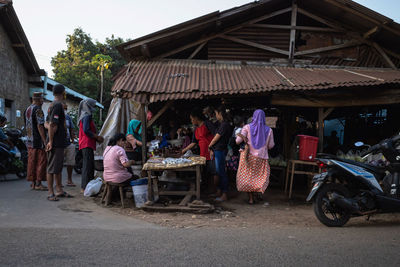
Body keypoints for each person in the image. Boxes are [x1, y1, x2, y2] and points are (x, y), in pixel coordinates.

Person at [236, 109, 275, 204]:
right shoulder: (269, 130)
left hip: (248, 156)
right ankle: (257, 194)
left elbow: (237, 141)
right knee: (257, 177)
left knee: (248, 177)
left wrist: (240, 134)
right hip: (261, 157)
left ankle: (251, 198)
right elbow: (271, 146)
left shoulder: (246, 127)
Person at [45, 84, 73, 201]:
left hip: (59, 142)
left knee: (57, 167)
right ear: (63, 93)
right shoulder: (57, 105)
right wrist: (51, 141)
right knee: (52, 168)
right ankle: (51, 193)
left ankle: (59, 190)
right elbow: (51, 124)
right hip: (55, 142)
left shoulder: (53, 105)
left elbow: (47, 123)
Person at [182, 108, 216, 192]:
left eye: (192, 119)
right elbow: (194, 143)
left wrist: (213, 148)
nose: (191, 121)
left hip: (211, 152)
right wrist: (183, 150)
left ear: (196, 118)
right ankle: (207, 191)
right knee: (205, 173)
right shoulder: (196, 129)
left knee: (213, 172)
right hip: (202, 155)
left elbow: (216, 135)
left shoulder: (208, 124)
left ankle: (215, 190)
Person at [78, 98, 104, 193]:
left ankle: (87, 185)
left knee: (89, 165)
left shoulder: (84, 115)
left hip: (86, 143)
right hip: (87, 143)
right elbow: (86, 130)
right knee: (87, 165)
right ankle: (84, 187)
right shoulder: (86, 116)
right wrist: (96, 137)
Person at [208, 106, 233, 202]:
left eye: (216, 113)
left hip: (220, 150)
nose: (216, 115)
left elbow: (216, 137)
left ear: (220, 114)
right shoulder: (221, 124)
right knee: (219, 172)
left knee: (222, 172)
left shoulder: (224, 125)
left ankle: (224, 194)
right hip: (219, 150)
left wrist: (210, 146)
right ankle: (219, 192)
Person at [25, 92, 47, 190]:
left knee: (31, 162)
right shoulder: (38, 110)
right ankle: (38, 183)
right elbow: (40, 126)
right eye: (42, 99)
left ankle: (33, 183)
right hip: (37, 141)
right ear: (38, 99)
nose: (43, 101)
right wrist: (45, 141)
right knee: (41, 161)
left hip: (29, 141)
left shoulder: (27, 109)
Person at [63, 102, 76, 187]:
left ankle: (69, 179)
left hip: (68, 142)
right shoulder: (55, 116)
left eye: (66, 109)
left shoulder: (68, 117)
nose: (65, 110)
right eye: (64, 108)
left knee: (70, 162)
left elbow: (71, 129)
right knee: (58, 163)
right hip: (59, 144)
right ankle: (58, 182)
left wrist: (72, 140)